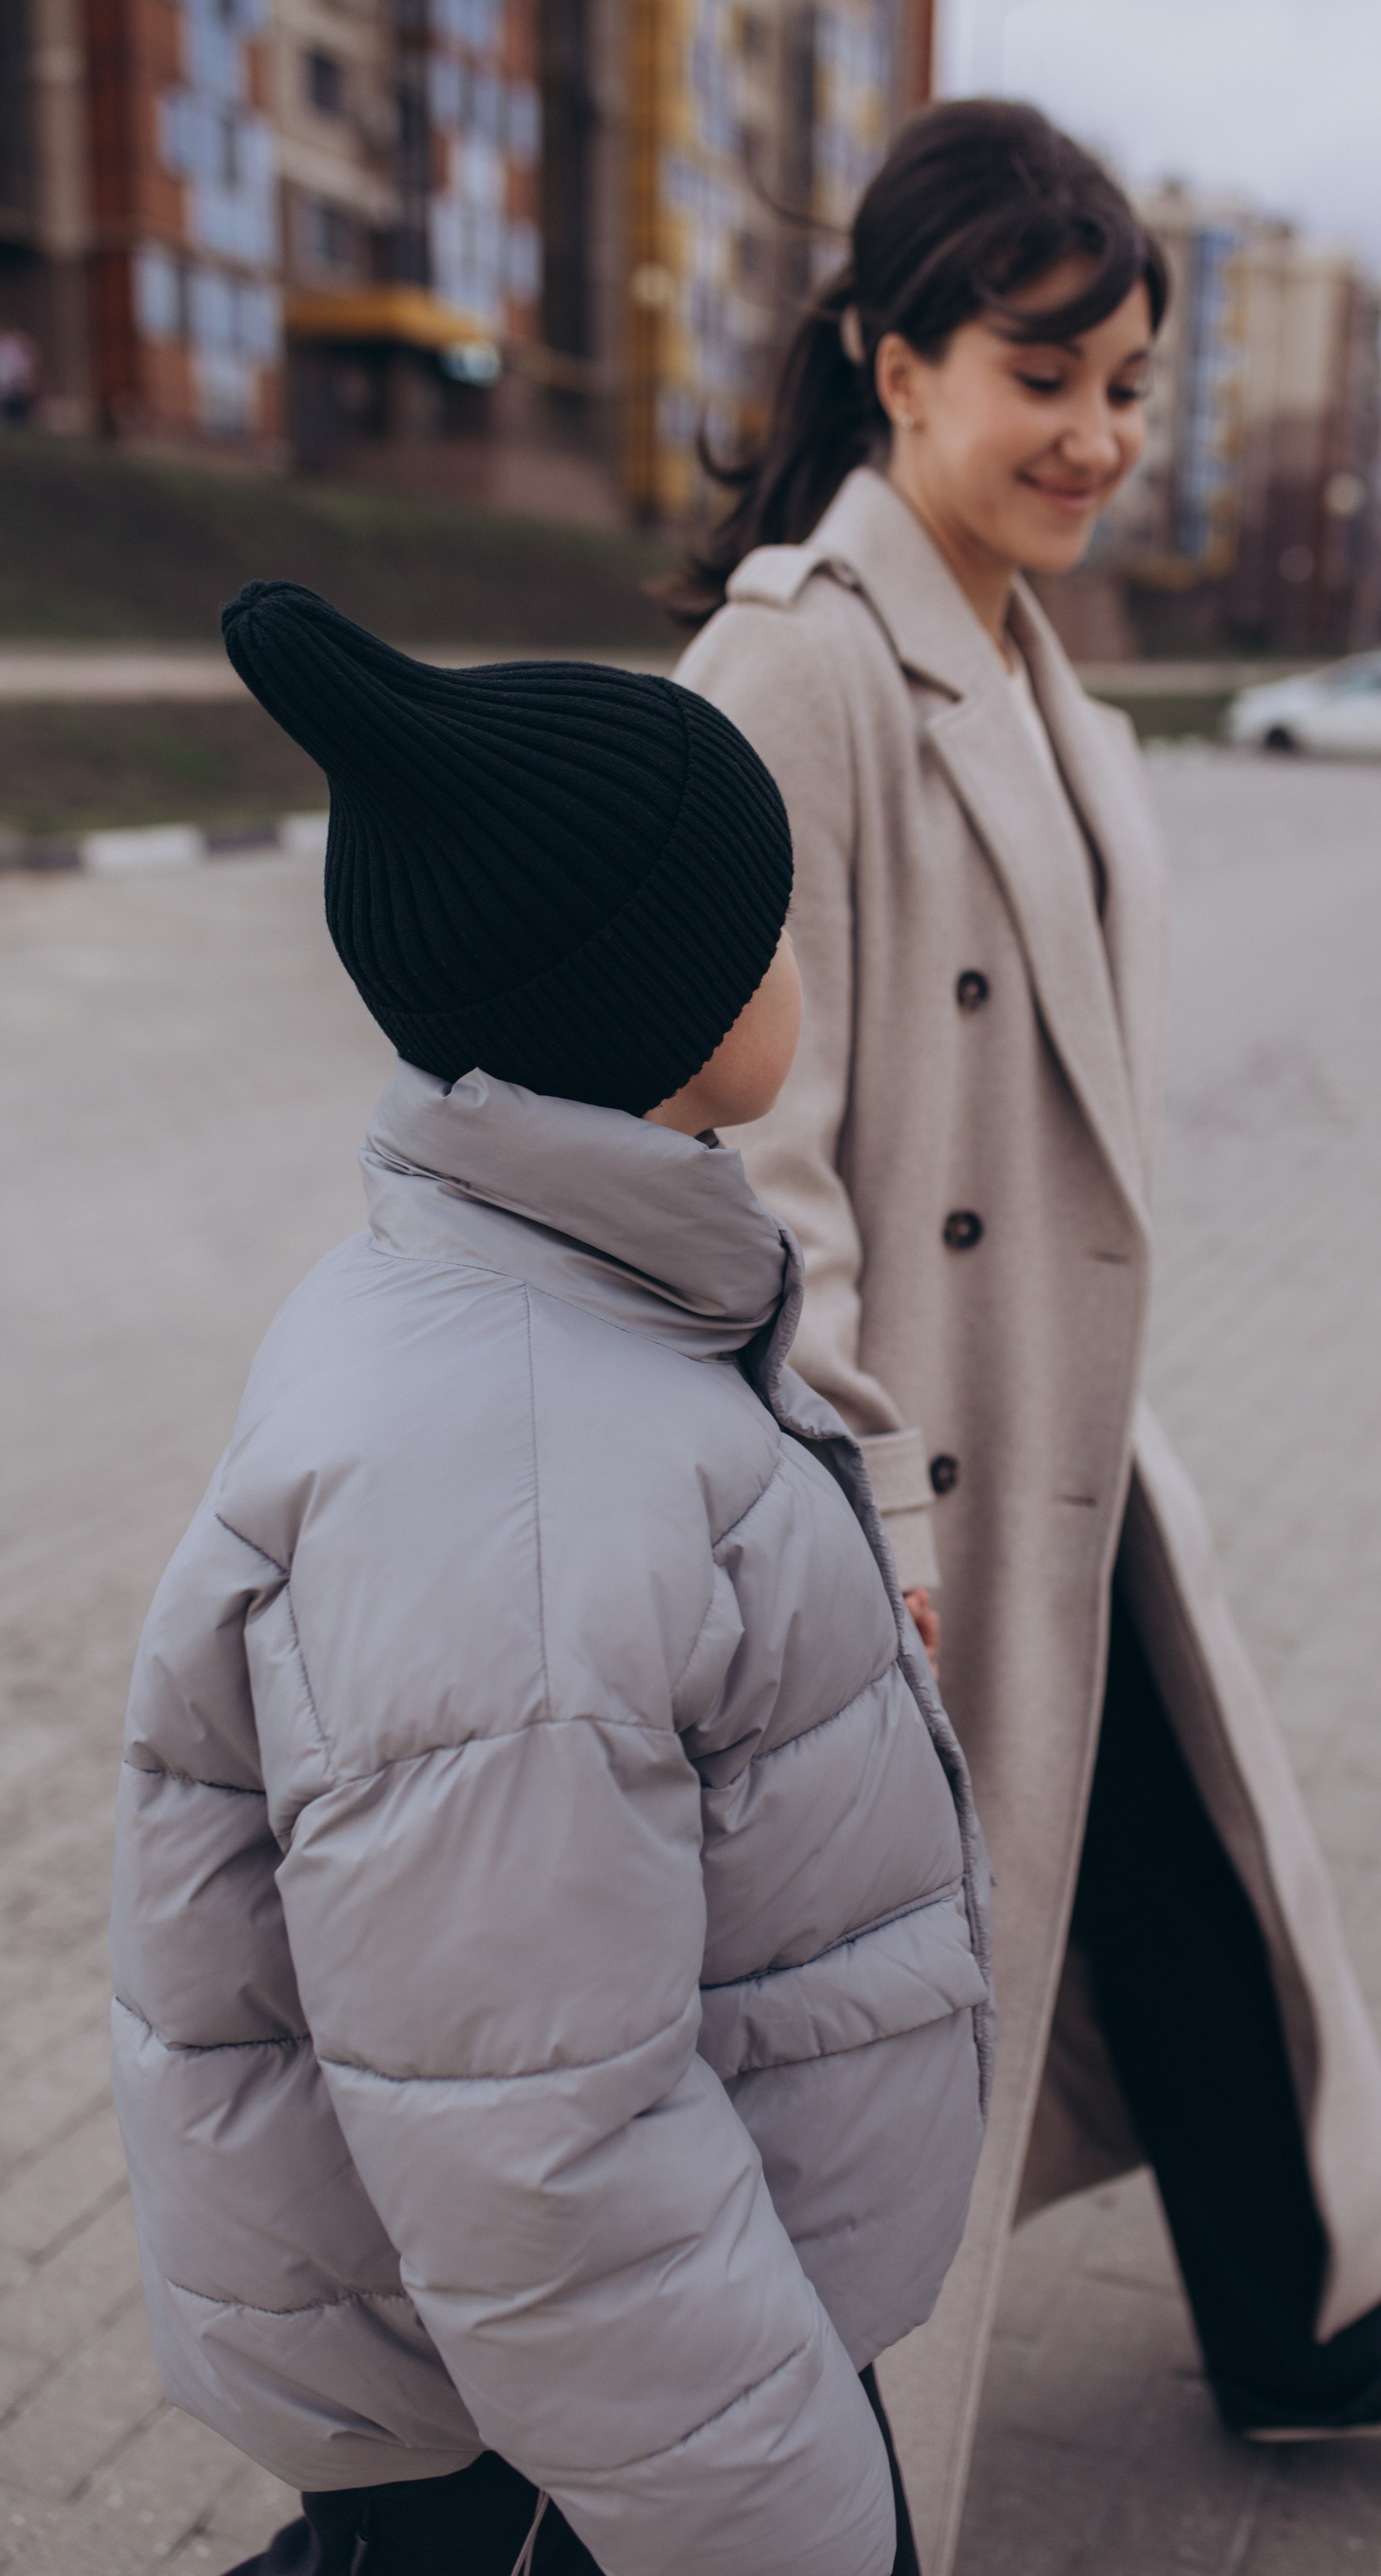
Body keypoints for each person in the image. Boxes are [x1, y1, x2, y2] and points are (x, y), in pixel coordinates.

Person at [675, 99, 1381, 2576]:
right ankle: (719, 2500)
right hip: (912, 1472)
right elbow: (751, 1149)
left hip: (1063, 1431)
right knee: (846, 2051)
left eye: (1133, 387)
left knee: (1187, 1865)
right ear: (891, 359)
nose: (1096, 436)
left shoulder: (1027, 648)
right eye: (1041, 373)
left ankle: (1306, 2314)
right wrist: (858, 1509)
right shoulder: (794, 667)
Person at [109, 580, 994, 2576]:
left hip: (602, 2344)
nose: (797, 962)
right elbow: (541, 2145)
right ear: (663, 1007)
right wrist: (797, 2528)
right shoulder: (510, 1482)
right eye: (766, 923)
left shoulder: (561, 1310)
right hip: (585, 2410)